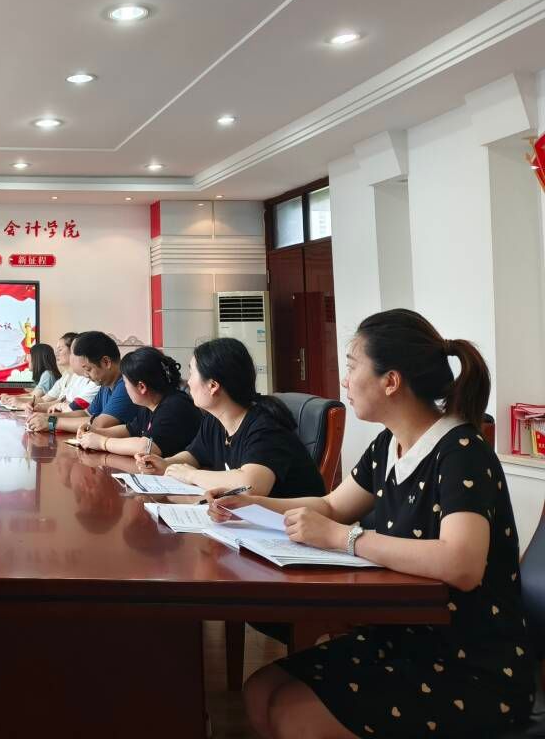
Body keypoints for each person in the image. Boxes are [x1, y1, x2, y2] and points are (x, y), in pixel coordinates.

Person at [208, 310, 532, 738]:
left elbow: (462, 564)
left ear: (390, 381)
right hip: (403, 637)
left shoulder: (461, 451)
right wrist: (251, 503)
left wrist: (347, 539)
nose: (345, 381)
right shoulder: (388, 445)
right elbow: (331, 505)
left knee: (293, 714)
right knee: (261, 690)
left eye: (352, 366)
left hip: (468, 662)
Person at [135, 336, 324, 498]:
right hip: (248, 519)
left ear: (213, 386)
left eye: (192, 373)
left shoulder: (266, 426)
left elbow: (250, 485)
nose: (188, 382)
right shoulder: (215, 419)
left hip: (292, 524)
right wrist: (166, 464)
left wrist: (191, 475)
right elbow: (195, 454)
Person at [77, 345, 201, 457]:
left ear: (142, 387)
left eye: (125, 383)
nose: (125, 387)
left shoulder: (174, 406)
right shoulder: (150, 405)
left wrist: (102, 442)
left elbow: (147, 447)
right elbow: (129, 430)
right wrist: (96, 432)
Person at [25, 336, 104, 433]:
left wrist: (50, 421)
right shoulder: (74, 377)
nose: (56, 354)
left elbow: (101, 423)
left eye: (73, 354)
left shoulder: (97, 383)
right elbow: (86, 413)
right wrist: (43, 412)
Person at [0, 332, 77, 409]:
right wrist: (14, 399)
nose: (56, 353)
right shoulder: (65, 376)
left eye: (60, 349)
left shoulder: (48, 374)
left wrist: (19, 403)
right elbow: (44, 399)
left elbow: (35, 397)